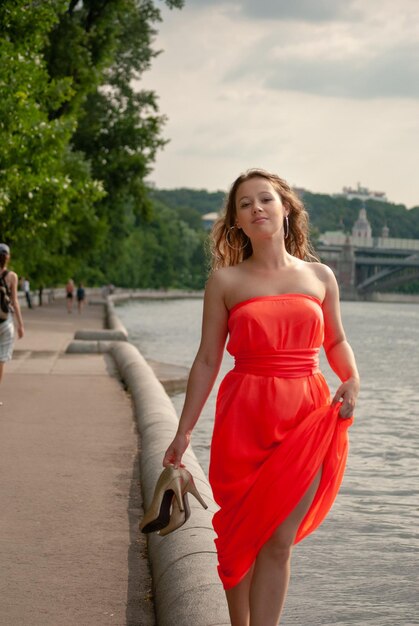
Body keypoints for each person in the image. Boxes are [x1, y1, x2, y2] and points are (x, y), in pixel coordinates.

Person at [162, 169, 360, 626]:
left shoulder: (320, 276)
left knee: (278, 540)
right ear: (236, 220)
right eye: (244, 204)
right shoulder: (225, 282)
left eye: (265, 199)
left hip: (306, 420)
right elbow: (207, 360)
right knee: (237, 536)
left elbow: (336, 342)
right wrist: (183, 430)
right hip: (243, 419)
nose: (256, 209)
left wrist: (352, 377)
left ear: (285, 207)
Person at [0, 244, 24, 403]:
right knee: (1, 359)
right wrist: (20, 325)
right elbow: (14, 301)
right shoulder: (12, 276)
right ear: (8, 257)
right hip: (5, 321)